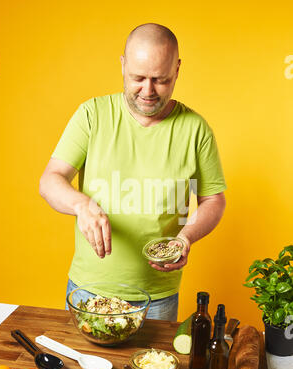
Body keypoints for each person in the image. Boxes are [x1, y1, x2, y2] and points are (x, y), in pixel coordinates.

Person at [39, 23, 226, 321]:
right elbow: (50, 180)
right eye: (138, 78)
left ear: (177, 70)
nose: (148, 91)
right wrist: (82, 205)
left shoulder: (196, 129)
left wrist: (187, 236)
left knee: (150, 368)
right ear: (123, 64)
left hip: (158, 298)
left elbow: (214, 200)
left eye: (160, 80)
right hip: (88, 290)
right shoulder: (92, 114)